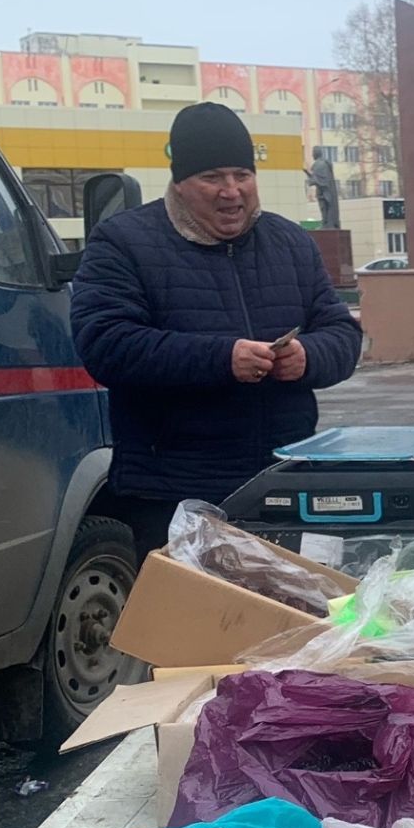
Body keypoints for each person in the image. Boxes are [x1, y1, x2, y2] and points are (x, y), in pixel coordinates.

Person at [72, 103, 363, 556]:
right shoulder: (123, 242)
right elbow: (105, 344)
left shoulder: (289, 242)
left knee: (292, 619)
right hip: (174, 493)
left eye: (242, 175)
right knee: (194, 623)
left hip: (282, 483)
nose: (232, 192)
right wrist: (221, 359)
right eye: (213, 177)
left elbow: (342, 333)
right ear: (181, 182)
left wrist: (308, 356)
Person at [305, 146, 340, 230]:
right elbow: (317, 178)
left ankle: (328, 224)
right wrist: (308, 174)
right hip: (323, 191)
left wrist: (311, 179)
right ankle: (326, 223)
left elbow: (321, 180)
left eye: (313, 152)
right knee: (324, 209)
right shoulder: (321, 164)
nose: (312, 155)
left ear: (316, 153)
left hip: (324, 193)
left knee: (325, 208)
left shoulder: (320, 164)